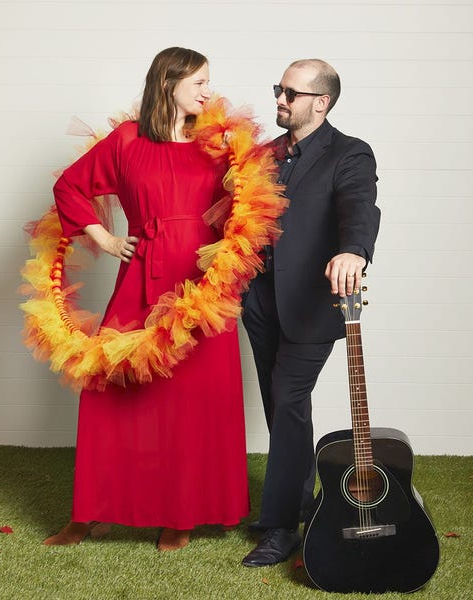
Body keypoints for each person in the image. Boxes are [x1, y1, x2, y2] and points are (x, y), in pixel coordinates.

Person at [42, 47, 249, 551]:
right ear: (168, 84)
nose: (207, 90)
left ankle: (180, 514)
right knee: (109, 393)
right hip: (143, 275)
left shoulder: (220, 143)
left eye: (208, 81)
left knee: (192, 400)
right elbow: (69, 186)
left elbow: (250, 208)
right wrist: (108, 240)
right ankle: (91, 512)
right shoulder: (126, 139)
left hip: (203, 286)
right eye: (198, 81)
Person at [241, 59, 380, 567]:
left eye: (291, 92)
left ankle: (280, 527)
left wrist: (355, 252)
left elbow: (359, 207)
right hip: (259, 302)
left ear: (320, 103)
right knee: (282, 410)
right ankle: (304, 502)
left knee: (288, 398)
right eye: (278, 88)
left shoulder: (350, 154)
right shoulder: (262, 156)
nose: (280, 98)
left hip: (310, 305)